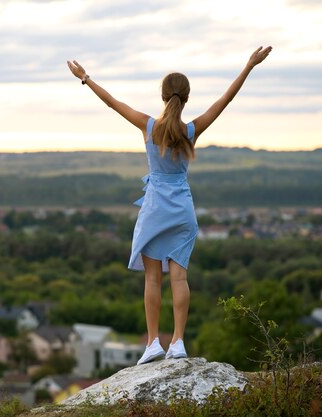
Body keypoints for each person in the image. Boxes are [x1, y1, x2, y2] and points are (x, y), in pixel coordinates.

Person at [67, 46, 272, 364]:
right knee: (179, 278)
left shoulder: (149, 127)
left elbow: (112, 103)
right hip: (182, 212)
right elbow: (225, 101)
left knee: (152, 279)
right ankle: (177, 341)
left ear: (163, 97)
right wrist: (248, 66)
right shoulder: (191, 130)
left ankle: (153, 344)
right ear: (186, 98)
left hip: (154, 211)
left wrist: (85, 78)